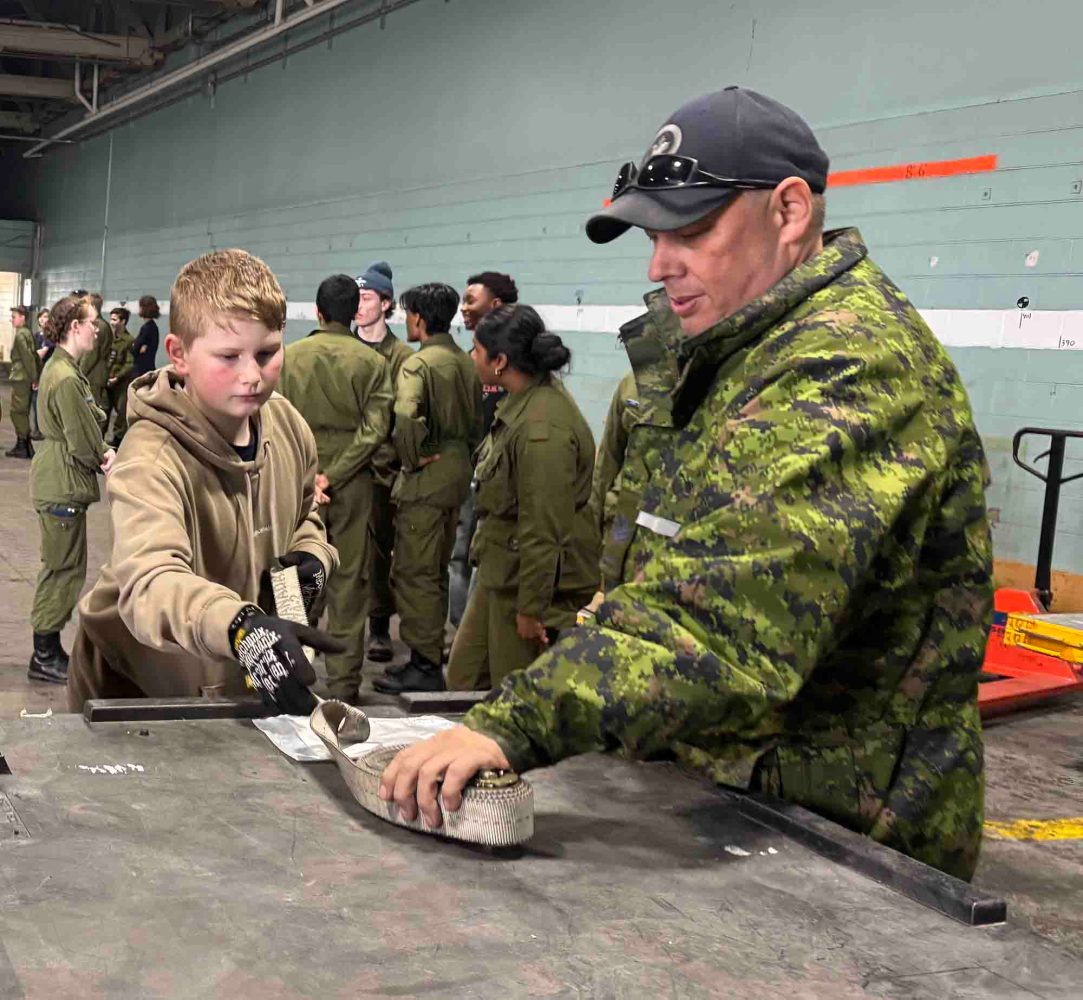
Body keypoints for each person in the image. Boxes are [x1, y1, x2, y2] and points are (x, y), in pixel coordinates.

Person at [377, 87, 993, 882]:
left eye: (692, 231)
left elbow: (725, 621)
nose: (660, 264)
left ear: (789, 211)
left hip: (849, 834)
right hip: (743, 799)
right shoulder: (739, 350)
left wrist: (509, 724)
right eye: (653, 236)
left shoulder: (848, 362)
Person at [67, 249, 341, 713]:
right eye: (229, 356)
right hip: (137, 689)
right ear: (179, 355)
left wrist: (312, 556)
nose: (252, 376)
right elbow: (153, 582)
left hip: (232, 675)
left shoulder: (288, 427)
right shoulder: (151, 458)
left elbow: (304, 515)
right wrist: (239, 627)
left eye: (267, 353)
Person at [446, 304, 599, 690]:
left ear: (500, 362)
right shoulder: (522, 403)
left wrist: (531, 610)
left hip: (525, 585)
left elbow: (543, 528)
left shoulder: (541, 429)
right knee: (463, 680)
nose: (471, 357)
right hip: (501, 574)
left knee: (511, 693)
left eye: (477, 350)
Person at [278, 274, 394, 704]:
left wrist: (311, 477)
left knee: (293, 579)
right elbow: (375, 430)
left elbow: (274, 421)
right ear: (353, 314)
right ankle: (344, 685)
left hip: (298, 483)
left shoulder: (289, 358)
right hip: (353, 485)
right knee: (348, 583)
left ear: (318, 311)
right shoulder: (373, 364)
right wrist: (336, 474)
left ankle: (290, 676)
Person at [372, 283, 483, 695]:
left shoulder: (418, 365)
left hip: (427, 479)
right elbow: (478, 422)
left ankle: (423, 663)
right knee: (438, 568)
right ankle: (430, 654)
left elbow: (405, 414)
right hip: (457, 473)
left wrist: (411, 456)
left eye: (408, 314)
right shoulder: (466, 361)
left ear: (418, 317)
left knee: (414, 571)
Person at [27, 295, 116, 684]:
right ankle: (44, 655)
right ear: (75, 327)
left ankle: (48, 650)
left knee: (63, 567)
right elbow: (81, 439)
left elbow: (86, 422)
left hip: (59, 478)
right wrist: (104, 457)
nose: (97, 329)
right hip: (62, 483)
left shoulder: (64, 369)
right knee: (63, 570)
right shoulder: (65, 377)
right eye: (92, 322)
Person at [448, 271, 519, 627]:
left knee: (489, 556)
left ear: (495, 305)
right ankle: (461, 632)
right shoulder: (467, 362)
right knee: (459, 554)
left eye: (470, 300)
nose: (463, 308)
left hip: (504, 478)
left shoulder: (520, 364)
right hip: (469, 471)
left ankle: (482, 633)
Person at [353, 261, 413, 665]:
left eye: (367, 297)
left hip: (380, 469)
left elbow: (405, 415)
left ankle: (378, 627)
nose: (359, 306)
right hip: (337, 468)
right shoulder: (341, 347)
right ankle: (309, 623)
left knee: (378, 552)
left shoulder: (402, 356)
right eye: (356, 298)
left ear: (386, 303)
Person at [5, 306, 39, 459]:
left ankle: (22, 444)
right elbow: (34, 356)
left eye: (14, 317)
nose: (11, 320)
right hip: (26, 377)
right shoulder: (27, 333)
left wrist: (34, 377)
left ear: (22, 317)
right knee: (22, 411)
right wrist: (35, 376)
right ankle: (26, 445)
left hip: (21, 377)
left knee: (17, 411)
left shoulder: (20, 335)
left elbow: (28, 357)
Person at [103, 306, 136, 446]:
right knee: (103, 411)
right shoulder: (108, 338)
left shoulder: (129, 340)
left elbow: (129, 363)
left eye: (115, 319)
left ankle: (117, 442)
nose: (111, 322)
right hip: (106, 380)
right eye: (111, 319)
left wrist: (117, 377)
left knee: (121, 413)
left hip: (120, 383)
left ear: (123, 321)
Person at [78, 293, 114, 418]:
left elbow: (91, 354)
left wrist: (79, 373)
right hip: (95, 373)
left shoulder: (98, 326)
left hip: (93, 375)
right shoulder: (101, 324)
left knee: (92, 413)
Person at [30, 308, 50, 440]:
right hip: (37, 372)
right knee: (35, 401)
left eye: (46, 317)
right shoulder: (36, 336)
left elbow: (41, 353)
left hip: (47, 373)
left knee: (44, 402)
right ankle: (37, 429)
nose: (43, 319)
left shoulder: (51, 336)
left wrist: (31, 354)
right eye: (41, 317)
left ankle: (44, 430)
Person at [131, 295, 161, 377]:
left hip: (141, 370)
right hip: (149, 367)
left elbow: (135, 349)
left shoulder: (146, 328)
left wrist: (135, 346)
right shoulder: (154, 327)